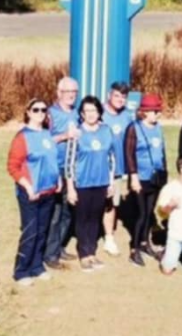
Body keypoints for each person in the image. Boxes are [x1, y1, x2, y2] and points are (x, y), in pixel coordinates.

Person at [7, 98, 61, 286]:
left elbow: (52, 160)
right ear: (28, 112)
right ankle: (21, 271)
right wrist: (28, 187)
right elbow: (13, 167)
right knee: (30, 232)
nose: (40, 113)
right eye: (36, 110)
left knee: (42, 230)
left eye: (43, 110)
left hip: (48, 192)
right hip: (30, 193)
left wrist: (58, 180)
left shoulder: (47, 135)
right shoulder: (22, 137)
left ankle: (37, 266)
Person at [66, 96, 115, 272]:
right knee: (82, 219)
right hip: (83, 183)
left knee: (95, 219)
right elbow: (69, 162)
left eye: (94, 110)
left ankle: (92, 253)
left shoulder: (106, 130)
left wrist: (111, 183)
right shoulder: (77, 133)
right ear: (82, 114)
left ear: (99, 112)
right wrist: (71, 187)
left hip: (101, 182)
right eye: (87, 111)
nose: (91, 114)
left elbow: (111, 158)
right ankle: (84, 254)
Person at [123, 93, 167, 267]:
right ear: (145, 112)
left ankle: (144, 242)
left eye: (158, 111)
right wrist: (133, 176)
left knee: (149, 213)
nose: (157, 114)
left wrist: (165, 173)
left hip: (155, 177)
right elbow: (129, 153)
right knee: (140, 214)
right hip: (140, 178)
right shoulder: (134, 128)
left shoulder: (158, 128)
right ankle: (134, 249)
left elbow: (162, 152)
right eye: (154, 111)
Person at [44, 76, 79, 269]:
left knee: (68, 212)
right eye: (67, 92)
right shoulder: (50, 114)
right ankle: (49, 255)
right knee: (56, 214)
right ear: (59, 93)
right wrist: (65, 136)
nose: (71, 96)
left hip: (71, 169)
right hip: (55, 169)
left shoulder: (76, 113)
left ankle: (59, 247)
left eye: (74, 92)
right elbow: (44, 140)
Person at [102, 81, 133, 257]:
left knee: (111, 203)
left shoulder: (127, 116)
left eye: (123, 97)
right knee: (93, 204)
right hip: (99, 168)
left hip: (118, 169)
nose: (120, 99)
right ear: (109, 95)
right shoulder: (100, 114)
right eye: (117, 95)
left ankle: (108, 238)